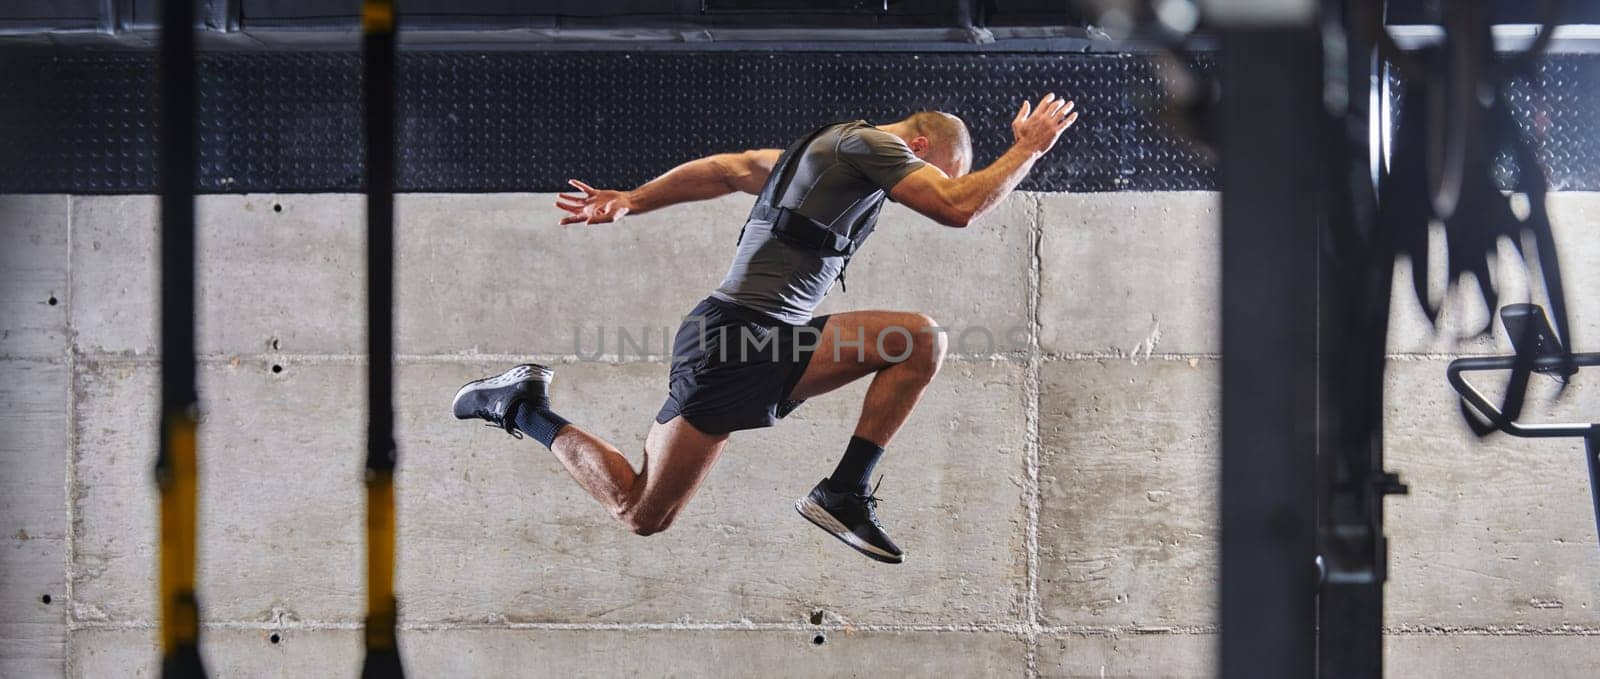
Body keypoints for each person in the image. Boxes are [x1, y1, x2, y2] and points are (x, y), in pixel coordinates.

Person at [453, 94, 1079, 563]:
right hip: (733, 341)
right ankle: (521, 407)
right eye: (935, 171)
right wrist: (1028, 149)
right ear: (917, 149)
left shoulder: (825, 158)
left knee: (645, 515)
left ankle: (521, 405)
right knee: (641, 511)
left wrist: (635, 199)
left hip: (764, 341)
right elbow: (958, 206)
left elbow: (730, 169)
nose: (919, 189)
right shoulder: (873, 145)